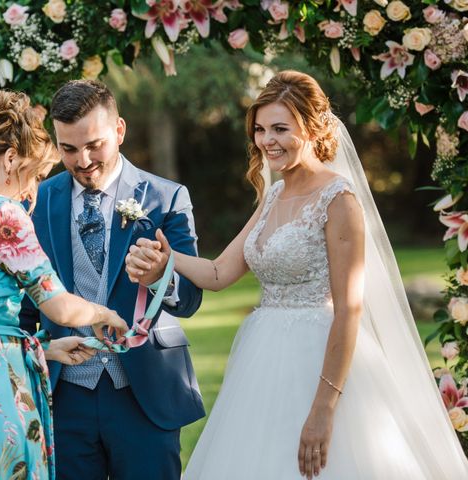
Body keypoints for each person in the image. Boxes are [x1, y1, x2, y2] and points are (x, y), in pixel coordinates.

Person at [126, 71, 468, 479]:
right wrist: (169, 261)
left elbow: (349, 311)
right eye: (260, 129)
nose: (267, 140)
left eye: (280, 129)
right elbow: (219, 272)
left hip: (321, 361)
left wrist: (324, 410)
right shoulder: (274, 195)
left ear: (312, 128)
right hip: (262, 361)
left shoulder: (338, 200)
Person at [0, 89, 128, 480]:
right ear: (11, 158)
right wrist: (105, 313)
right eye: (34, 174)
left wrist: (44, 348)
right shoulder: (1, 214)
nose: (32, 190)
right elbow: (60, 307)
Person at [19, 80, 204, 479]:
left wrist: (160, 278)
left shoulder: (166, 198)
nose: (82, 160)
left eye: (94, 145)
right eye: (68, 149)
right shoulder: (35, 202)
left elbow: (189, 299)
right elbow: (21, 306)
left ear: (119, 130)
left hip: (145, 391)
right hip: (64, 393)